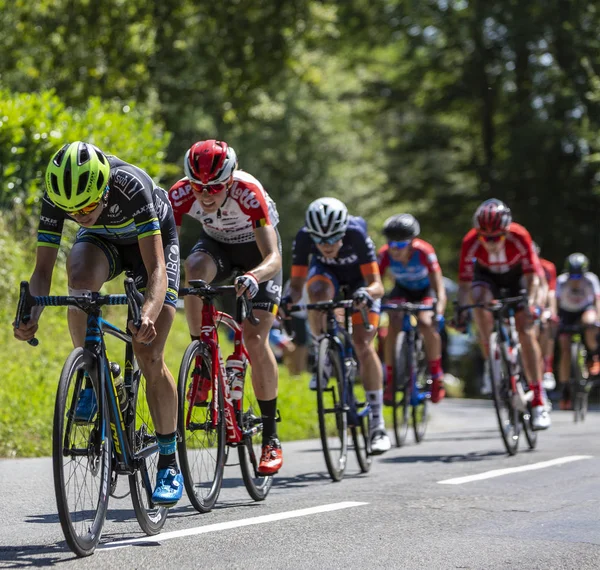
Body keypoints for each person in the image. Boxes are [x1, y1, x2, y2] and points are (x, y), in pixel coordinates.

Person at [13, 141, 183, 506]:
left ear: (105, 188)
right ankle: (94, 370)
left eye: (88, 206)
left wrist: (149, 315)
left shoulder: (131, 186)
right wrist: (32, 315)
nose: (81, 215)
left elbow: (156, 270)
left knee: (148, 352)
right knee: (79, 277)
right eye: (71, 211)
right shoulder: (58, 198)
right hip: (104, 242)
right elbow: (42, 272)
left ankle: (168, 461)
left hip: (149, 246)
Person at [168, 139, 283, 475]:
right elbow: (169, 250)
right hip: (217, 245)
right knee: (194, 269)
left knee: (254, 339)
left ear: (231, 180)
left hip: (257, 255)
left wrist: (254, 276)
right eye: (198, 186)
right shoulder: (179, 193)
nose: (205, 194)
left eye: (215, 187)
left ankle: (271, 438)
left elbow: (273, 258)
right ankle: (202, 357)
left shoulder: (248, 193)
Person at [281, 197, 391, 455]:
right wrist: (286, 302)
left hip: (359, 283)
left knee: (364, 343)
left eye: (332, 239)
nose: (326, 245)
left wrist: (365, 293)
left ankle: (377, 424)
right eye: (320, 240)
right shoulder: (305, 237)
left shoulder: (356, 233)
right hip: (326, 278)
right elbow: (297, 287)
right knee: (316, 292)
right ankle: (323, 351)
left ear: (342, 232)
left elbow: (378, 285)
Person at [455, 198, 551, 430]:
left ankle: (538, 400)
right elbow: (465, 284)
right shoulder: (471, 240)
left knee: (526, 330)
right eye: (484, 237)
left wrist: (533, 304)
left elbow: (534, 278)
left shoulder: (519, 235)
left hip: (517, 278)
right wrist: (460, 310)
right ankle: (491, 358)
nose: (489, 243)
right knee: (479, 302)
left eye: (496, 237)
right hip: (488, 278)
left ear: (506, 231)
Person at [378, 214, 447, 405]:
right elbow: (376, 283)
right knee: (394, 322)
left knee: (426, 322)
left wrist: (439, 309)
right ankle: (391, 381)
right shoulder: (383, 254)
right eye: (391, 244)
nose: (395, 250)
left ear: (412, 243)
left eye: (400, 245)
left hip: (426, 291)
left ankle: (436, 376)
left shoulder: (424, 252)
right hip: (402, 290)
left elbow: (439, 287)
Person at [555, 253, 600, 410]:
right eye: (572, 276)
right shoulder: (561, 281)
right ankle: (565, 389)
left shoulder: (591, 280)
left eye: (578, 276)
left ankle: (592, 355)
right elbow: (556, 302)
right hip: (566, 312)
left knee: (590, 323)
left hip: (584, 310)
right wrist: (555, 319)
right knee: (565, 349)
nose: (575, 280)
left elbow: (597, 301)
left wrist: (598, 319)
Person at [533, 242, 558, 391]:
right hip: (527, 305)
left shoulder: (547, 267)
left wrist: (552, 311)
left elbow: (551, 292)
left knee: (548, 324)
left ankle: (547, 368)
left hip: (543, 306)